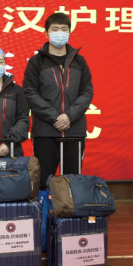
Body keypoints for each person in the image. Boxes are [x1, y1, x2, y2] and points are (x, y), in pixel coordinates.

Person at [23, 12, 94, 188]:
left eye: (64, 29)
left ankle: (69, 208)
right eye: (55, 29)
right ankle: (45, 206)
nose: (59, 33)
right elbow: (30, 92)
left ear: (69, 32)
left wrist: (69, 116)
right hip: (45, 131)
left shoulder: (79, 61)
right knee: (42, 180)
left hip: (74, 130)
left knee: (72, 181)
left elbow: (86, 92)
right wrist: (55, 117)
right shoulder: (36, 62)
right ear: (46, 33)